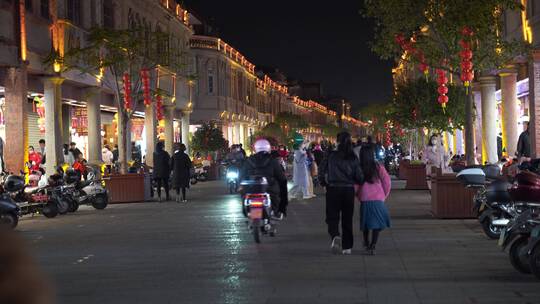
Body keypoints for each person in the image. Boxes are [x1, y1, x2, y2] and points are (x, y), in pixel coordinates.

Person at [319, 131, 364, 255]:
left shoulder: (330, 155)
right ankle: (347, 247)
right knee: (347, 218)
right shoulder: (353, 157)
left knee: (332, 217)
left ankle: (335, 235)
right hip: (348, 190)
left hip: (333, 189)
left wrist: (323, 183)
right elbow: (359, 177)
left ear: (337, 142)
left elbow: (321, 170)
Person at [357, 145, 392, 255]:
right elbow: (387, 182)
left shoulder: (359, 168)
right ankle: (373, 245)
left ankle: (366, 242)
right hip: (378, 198)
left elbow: (356, 185)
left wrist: (358, 195)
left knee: (366, 222)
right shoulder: (378, 167)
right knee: (378, 223)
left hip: (364, 198)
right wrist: (384, 195)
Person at [240, 139, 287, 218]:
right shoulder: (273, 161)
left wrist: (241, 184)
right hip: (268, 188)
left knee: (243, 195)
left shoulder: (249, 160)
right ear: (268, 148)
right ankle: (276, 212)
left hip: (251, 188)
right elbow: (280, 176)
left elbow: (242, 174)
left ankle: (249, 212)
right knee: (278, 195)